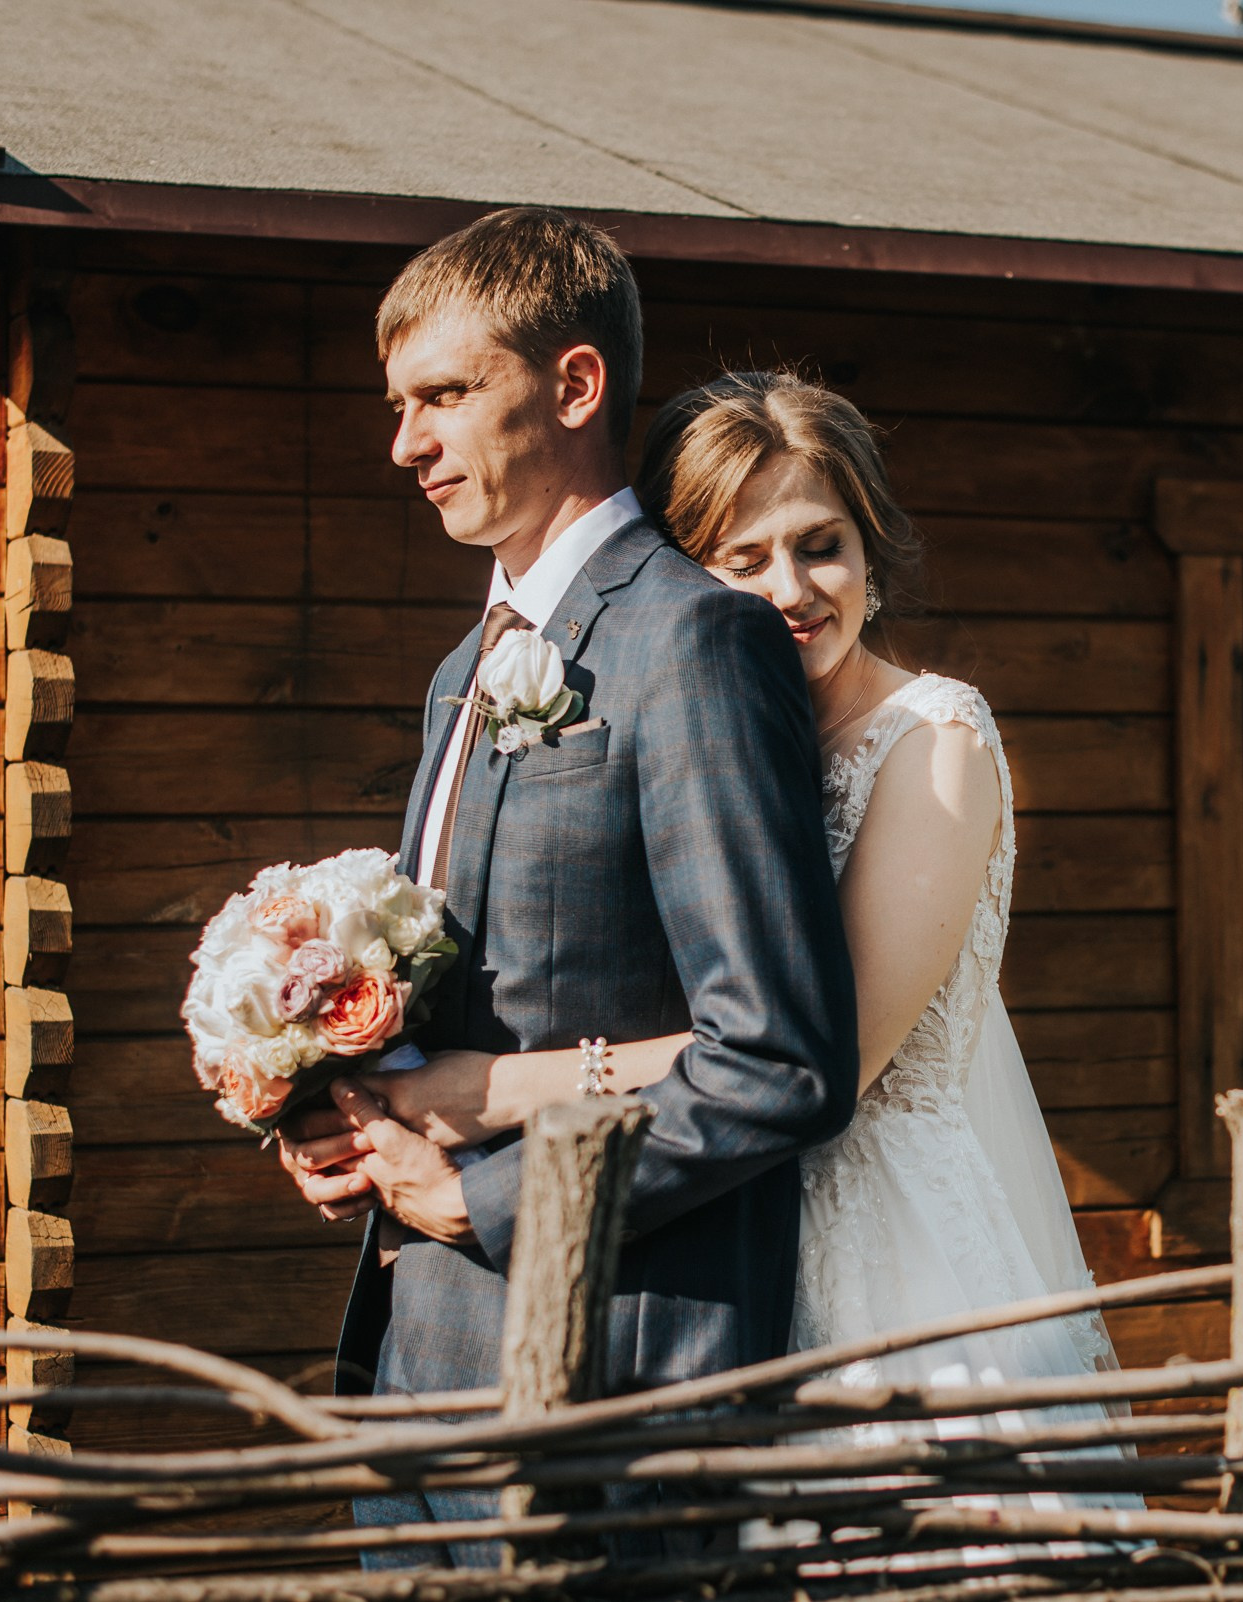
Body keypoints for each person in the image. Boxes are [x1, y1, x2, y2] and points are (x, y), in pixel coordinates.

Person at [299, 369, 1134, 1530]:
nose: (791, 590)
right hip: (702, 1236)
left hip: (879, 1253)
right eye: (745, 559)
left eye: (822, 546)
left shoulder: (933, 746)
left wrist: (487, 1094)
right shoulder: (707, 733)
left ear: (874, 551)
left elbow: (821, 1060)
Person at [279, 212, 859, 1567]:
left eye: (444, 397)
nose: (404, 444)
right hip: (427, 1357)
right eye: (399, 405)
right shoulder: (462, 672)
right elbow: (476, 1004)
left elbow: (775, 1059)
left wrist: (479, 1200)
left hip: (604, 1384)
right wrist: (343, 1123)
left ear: (576, 385)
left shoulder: (695, 639)